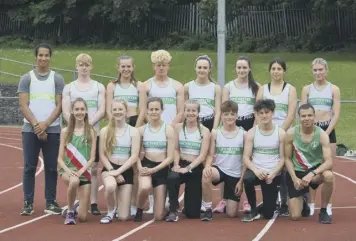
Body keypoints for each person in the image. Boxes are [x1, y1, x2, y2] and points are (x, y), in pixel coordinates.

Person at [18, 43, 64, 215]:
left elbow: (60, 105)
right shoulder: (26, 78)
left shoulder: (57, 78)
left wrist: (46, 124)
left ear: (50, 57)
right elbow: (23, 104)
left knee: (52, 167)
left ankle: (50, 202)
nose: (43, 58)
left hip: (52, 129)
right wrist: (37, 126)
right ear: (35, 57)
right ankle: (28, 203)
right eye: (41, 55)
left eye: (46, 55)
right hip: (30, 130)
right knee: (29, 167)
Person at [62, 53, 106, 215]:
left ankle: (93, 202)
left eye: (87, 64)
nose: (84, 67)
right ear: (76, 67)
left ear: (91, 67)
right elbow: (66, 111)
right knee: (74, 166)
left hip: (93, 132)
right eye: (81, 64)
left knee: (93, 168)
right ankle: (75, 200)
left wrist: (88, 125)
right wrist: (77, 126)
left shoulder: (98, 87)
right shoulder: (69, 87)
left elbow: (102, 110)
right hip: (75, 135)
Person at [140, 49, 184, 212]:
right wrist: (152, 127)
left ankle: (169, 199)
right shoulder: (146, 86)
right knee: (152, 162)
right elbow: (143, 110)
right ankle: (152, 201)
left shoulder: (177, 86)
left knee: (170, 164)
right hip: (152, 131)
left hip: (170, 130)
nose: (161, 68)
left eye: (164, 65)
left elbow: (181, 111)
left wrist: (169, 128)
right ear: (153, 66)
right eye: (158, 65)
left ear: (168, 66)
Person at [256, 58, 297, 216]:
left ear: (284, 71)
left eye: (279, 69)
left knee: (285, 168)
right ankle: (272, 200)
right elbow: (258, 112)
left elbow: (291, 113)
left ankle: (285, 202)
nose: (276, 71)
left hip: (284, 133)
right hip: (265, 132)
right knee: (269, 165)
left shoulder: (290, 89)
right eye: (273, 68)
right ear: (270, 71)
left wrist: (280, 132)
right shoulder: (263, 89)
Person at [106, 55, 146, 214]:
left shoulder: (139, 85)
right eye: (123, 66)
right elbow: (109, 109)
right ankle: (115, 203)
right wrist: (115, 127)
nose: (126, 69)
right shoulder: (112, 86)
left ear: (133, 67)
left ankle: (134, 203)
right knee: (116, 160)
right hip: (116, 125)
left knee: (136, 166)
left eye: (128, 66)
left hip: (134, 124)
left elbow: (142, 109)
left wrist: (134, 130)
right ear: (118, 68)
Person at [220, 55, 260, 214]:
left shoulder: (256, 87)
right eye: (239, 67)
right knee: (227, 161)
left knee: (246, 159)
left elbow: (258, 110)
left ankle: (247, 201)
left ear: (249, 69)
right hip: (231, 123)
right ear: (235, 69)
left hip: (249, 124)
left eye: (244, 67)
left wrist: (255, 128)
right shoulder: (229, 87)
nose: (242, 70)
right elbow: (224, 108)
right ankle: (224, 199)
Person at [301, 58, 340, 216]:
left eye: (321, 70)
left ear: (326, 71)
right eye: (315, 70)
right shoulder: (307, 89)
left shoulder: (334, 89)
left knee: (328, 170)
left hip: (328, 129)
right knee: (311, 167)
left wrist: (326, 132)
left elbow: (336, 113)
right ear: (312, 71)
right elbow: (302, 112)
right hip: (311, 130)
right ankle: (311, 203)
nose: (318, 73)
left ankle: (327, 204)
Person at [284, 103, 334, 224]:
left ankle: (323, 210)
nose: (307, 118)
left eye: (310, 115)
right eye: (303, 116)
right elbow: (287, 158)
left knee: (329, 176)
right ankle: (304, 200)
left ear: (314, 116)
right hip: (297, 172)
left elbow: (329, 162)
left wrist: (312, 173)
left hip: (315, 172)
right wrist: (294, 177)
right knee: (295, 216)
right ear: (299, 117)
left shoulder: (322, 135)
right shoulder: (290, 134)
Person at [201, 100, 246, 221]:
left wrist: (241, 181)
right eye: (226, 114)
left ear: (237, 115)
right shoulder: (215, 133)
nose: (229, 117)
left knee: (231, 214)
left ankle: (229, 199)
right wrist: (207, 167)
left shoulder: (243, 134)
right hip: (219, 170)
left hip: (235, 174)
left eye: (232, 114)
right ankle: (208, 208)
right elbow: (210, 155)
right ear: (221, 116)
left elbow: (246, 160)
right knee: (206, 175)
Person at [166, 100, 210, 222]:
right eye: (188, 110)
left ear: (198, 112)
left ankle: (189, 206)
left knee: (193, 214)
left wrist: (188, 168)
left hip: (195, 167)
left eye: (193, 110)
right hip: (181, 162)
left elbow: (202, 156)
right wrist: (176, 164)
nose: (190, 113)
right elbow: (176, 149)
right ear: (184, 112)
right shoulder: (178, 127)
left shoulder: (204, 131)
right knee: (172, 177)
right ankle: (173, 209)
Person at [241, 99, 286, 222]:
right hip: (257, 171)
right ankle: (253, 210)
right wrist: (255, 170)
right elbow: (246, 157)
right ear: (256, 114)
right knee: (247, 179)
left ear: (272, 113)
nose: (264, 115)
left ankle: (267, 205)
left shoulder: (280, 133)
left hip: (272, 173)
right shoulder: (252, 133)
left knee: (268, 215)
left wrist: (273, 173)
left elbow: (283, 158)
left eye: (267, 112)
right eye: (261, 113)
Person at [99, 99, 140, 224]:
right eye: (115, 110)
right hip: (110, 169)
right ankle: (110, 211)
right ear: (111, 112)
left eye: (120, 109)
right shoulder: (104, 131)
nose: (117, 112)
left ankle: (119, 209)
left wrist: (119, 172)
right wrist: (113, 171)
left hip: (125, 170)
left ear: (126, 111)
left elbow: (134, 156)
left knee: (123, 217)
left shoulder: (133, 131)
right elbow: (102, 155)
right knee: (111, 186)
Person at [134, 97, 175, 222]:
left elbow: (170, 157)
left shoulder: (168, 129)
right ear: (147, 111)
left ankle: (166, 205)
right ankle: (139, 209)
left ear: (161, 110)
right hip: (146, 165)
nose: (154, 112)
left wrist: (155, 169)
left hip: (161, 168)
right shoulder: (141, 130)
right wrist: (140, 167)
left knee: (158, 216)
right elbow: (135, 154)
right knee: (145, 187)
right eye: (151, 109)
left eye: (157, 109)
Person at [58, 98, 96, 224]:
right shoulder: (65, 132)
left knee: (83, 218)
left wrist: (81, 171)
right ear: (72, 112)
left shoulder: (90, 131)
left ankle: (74, 206)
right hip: (68, 172)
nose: (80, 112)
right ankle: (69, 212)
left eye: (82, 109)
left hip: (84, 173)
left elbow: (92, 158)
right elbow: (59, 159)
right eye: (77, 109)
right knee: (74, 181)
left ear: (86, 111)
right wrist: (69, 171)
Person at [184, 55, 221, 131]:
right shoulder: (187, 87)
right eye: (199, 67)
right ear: (195, 68)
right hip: (193, 122)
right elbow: (184, 109)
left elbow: (218, 111)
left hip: (209, 122)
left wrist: (214, 129)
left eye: (205, 68)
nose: (202, 70)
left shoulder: (216, 87)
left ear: (209, 69)